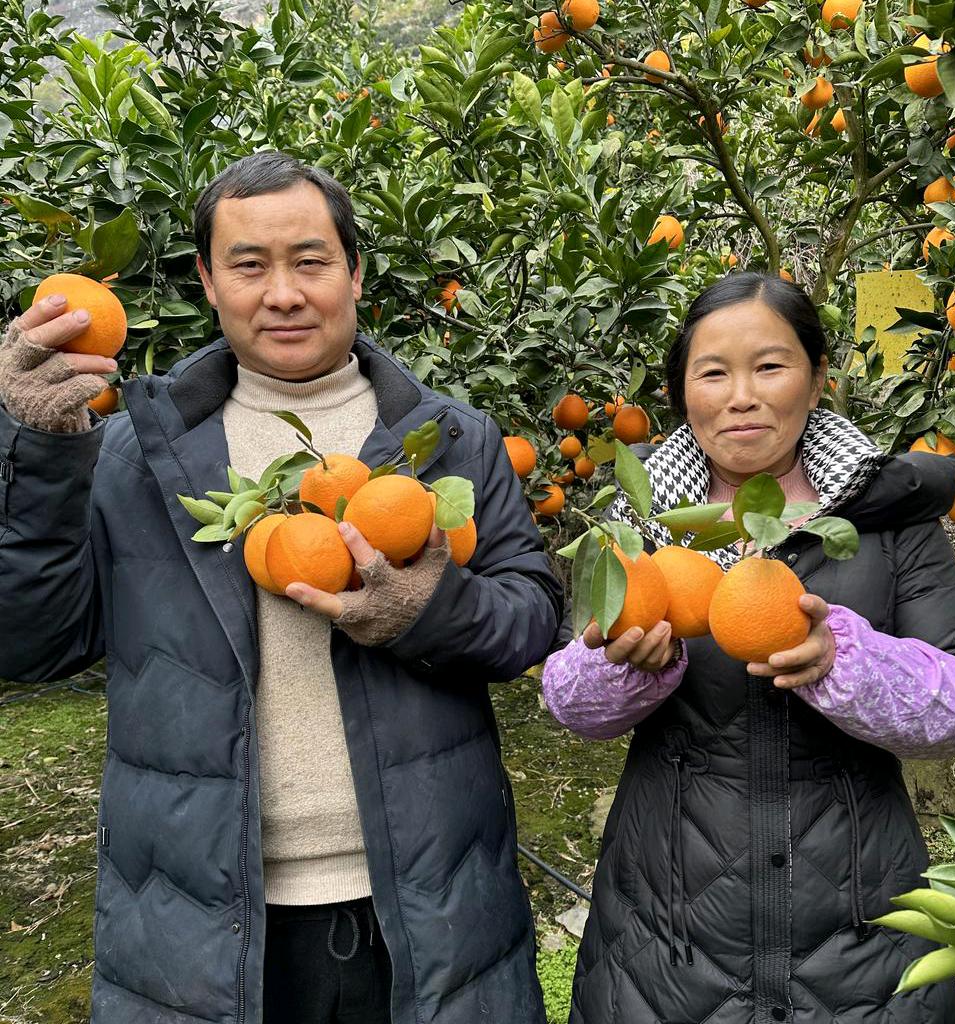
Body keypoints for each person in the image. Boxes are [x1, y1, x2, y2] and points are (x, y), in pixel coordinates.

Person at [0, 151, 562, 1024]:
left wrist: (427, 613)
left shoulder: (450, 440)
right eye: (249, 265)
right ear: (207, 281)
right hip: (198, 925)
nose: (284, 294)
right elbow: (34, 644)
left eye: (310, 261)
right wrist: (39, 450)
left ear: (355, 272)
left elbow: (531, 620)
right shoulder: (134, 452)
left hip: (429, 909)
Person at [542, 272, 955, 1023]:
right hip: (666, 942)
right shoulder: (638, 527)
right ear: (681, 392)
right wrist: (625, 667)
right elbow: (569, 701)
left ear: (816, 379)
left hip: (862, 938)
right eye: (713, 373)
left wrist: (843, 661)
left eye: (769, 366)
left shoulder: (888, 516)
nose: (741, 396)